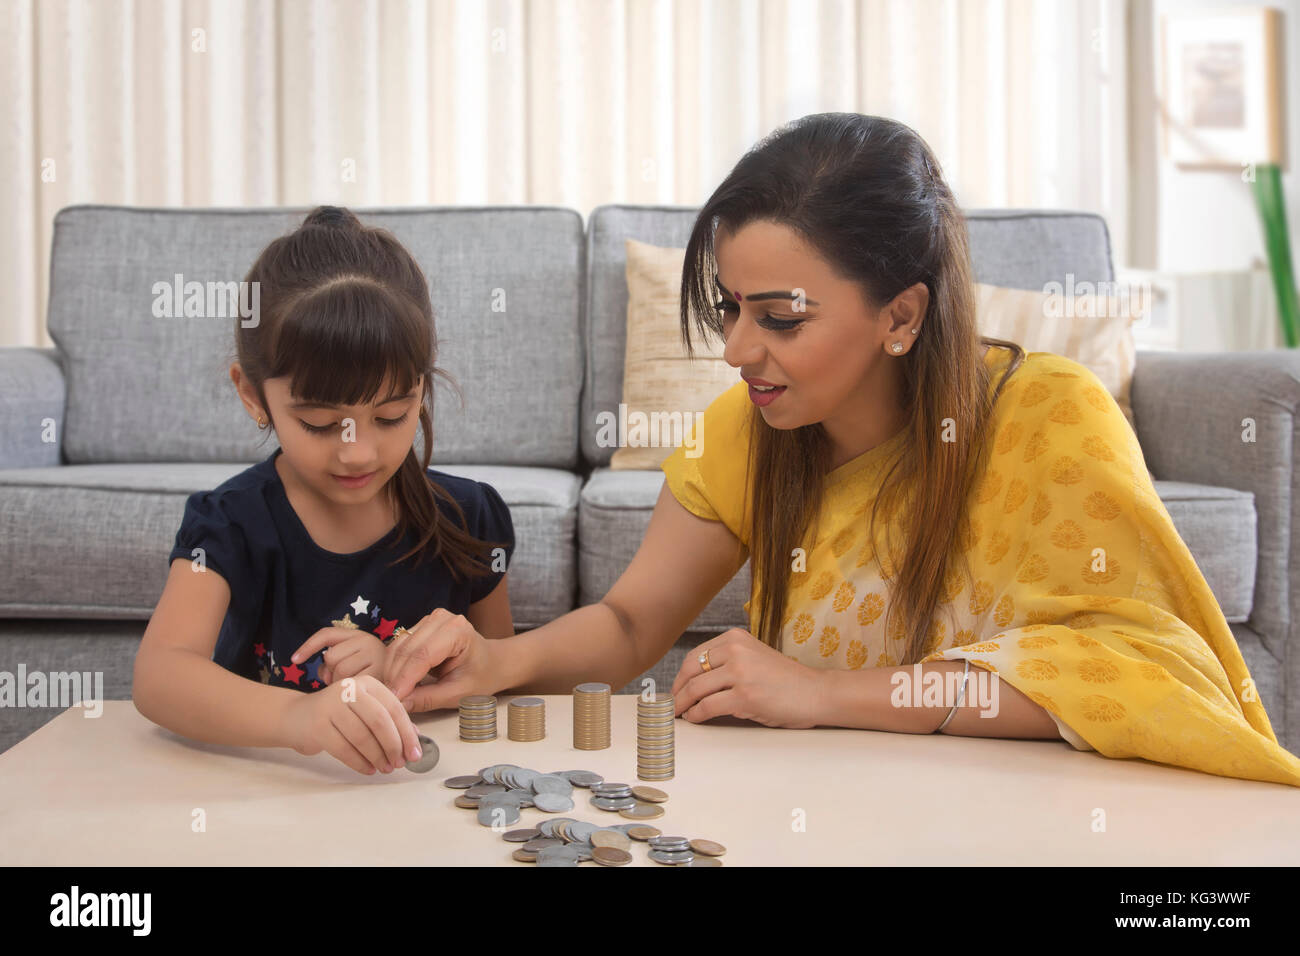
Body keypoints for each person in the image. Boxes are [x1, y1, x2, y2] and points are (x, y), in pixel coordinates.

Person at [382, 113, 1300, 788]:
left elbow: (1135, 680)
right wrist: (495, 661)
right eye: (731, 309)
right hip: (831, 809)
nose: (738, 350)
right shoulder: (752, 427)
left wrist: (821, 695)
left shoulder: (1050, 414)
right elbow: (628, 627)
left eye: (780, 317)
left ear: (901, 314)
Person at [133, 206, 516, 777]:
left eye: (392, 415)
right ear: (252, 394)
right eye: (317, 422)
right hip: (273, 795)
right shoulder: (229, 523)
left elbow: (501, 674)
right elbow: (160, 676)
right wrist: (300, 718)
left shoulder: (470, 517)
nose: (358, 451)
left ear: (423, 386)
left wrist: (398, 667)